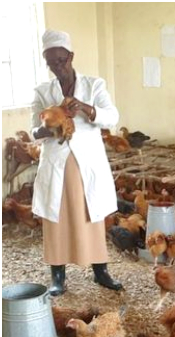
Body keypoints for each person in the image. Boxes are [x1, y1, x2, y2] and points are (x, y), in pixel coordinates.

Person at [31, 29, 123, 296]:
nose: (57, 67)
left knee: (90, 214)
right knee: (56, 218)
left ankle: (100, 271)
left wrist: (84, 107)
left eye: (61, 60)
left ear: (70, 56)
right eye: (51, 63)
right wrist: (57, 117)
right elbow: (34, 132)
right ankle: (58, 277)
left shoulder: (95, 85)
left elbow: (112, 116)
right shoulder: (42, 91)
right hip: (56, 164)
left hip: (87, 165)